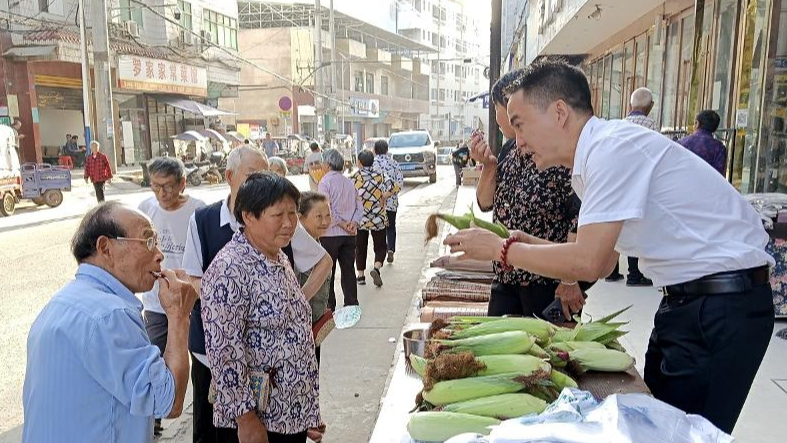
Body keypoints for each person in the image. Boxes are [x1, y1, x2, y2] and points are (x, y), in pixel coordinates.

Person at [445, 59, 774, 434]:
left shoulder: (610, 149)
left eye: (519, 124)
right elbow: (603, 262)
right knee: (656, 425)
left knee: (684, 434)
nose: (517, 142)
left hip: (720, 303)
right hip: (690, 302)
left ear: (559, 112)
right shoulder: (593, 161)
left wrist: (499, 250)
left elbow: (589, 261)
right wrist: (520, 243)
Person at [182, 146, 330, 443]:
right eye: (278, 215)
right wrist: (246, 420)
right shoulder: (229, 269)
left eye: (292, 214)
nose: (289, 224)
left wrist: (306, 410)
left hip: (289, 414)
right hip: (259, 423)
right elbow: (225, 354)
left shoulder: (277, 257)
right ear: (248, 216)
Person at [22, 202, 197, 443]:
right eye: (148, 241)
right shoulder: (111, 314)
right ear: (105, 248)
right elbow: (169, 402)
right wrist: (178, 315)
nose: (159, 254)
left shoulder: (61, 302)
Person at [472, 69, 586, 320]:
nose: (497, 117)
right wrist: (489, 166)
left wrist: (569, 277)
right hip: (506, 276)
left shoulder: (558, 151)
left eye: (497, 109)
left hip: (546, 283)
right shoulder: (508, 151)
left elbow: (578, 216)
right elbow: (485, 203)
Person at [137, 157, 206, 436]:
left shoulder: (198, 211)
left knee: (201, 360)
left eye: (167, 186)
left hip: (195, 300)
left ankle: (206, 409)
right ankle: (153, 418)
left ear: (182, 183)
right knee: (154, 356)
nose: (162, 194)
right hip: (156, 303)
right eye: (155, 187)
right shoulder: (146, 209)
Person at [606, 88, 659, 287]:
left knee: (615, 228)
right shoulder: (652, 129)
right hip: (640, 188)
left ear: (630, 106)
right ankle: (635, 274)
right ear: (650, 107)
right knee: (635, 229)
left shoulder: (618, 126)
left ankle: (611, 271)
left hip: (617, 186)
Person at [318, 148, 363, 310]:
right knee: (348, 269)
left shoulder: (325, 182)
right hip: (350, 235)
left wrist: (342, 223)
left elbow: (326, 210)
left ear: (328, 164)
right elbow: (360, 207)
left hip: (330, 235)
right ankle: (351, 303)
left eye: (323, 162)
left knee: (328, 272)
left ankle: (329, 306)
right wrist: (353, 223)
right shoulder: (350, 182)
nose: (321, 165)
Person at [351, 150, 395, 287]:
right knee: (380, 247)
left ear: (359, 162)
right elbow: (393, 186)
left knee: (360, 247)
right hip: (378, 218)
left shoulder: (354, 177)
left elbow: (348, 195)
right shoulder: (379, 176)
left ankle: (361, 276)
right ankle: (376, 268)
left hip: (361, 219)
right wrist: (384, 196)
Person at [372, 139, 404, 264]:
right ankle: (391, 249)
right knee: (391, 226)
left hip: (376, 203)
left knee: (378, 229)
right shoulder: (394, 163)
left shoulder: (372, 164)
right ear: (387, 150)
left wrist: (380, 196)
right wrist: (389, 194)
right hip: (391, 203)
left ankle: (380, 255)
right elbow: (400, 184)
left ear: (375, 150)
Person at [677, 110, 728, 175]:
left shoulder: (681, 143)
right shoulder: (719, 148)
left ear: (697, 123)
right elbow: (719, 176)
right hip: (707, 184)